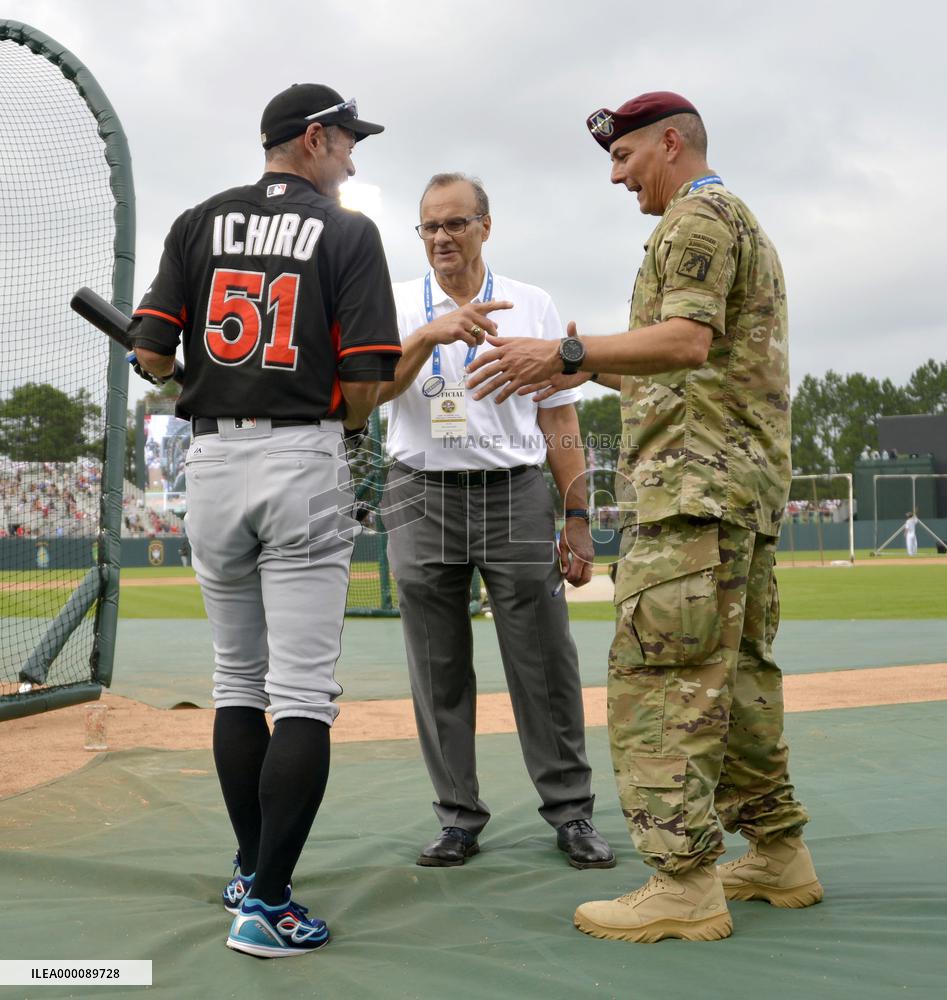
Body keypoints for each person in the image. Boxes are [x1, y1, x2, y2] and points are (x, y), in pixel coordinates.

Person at [467, 92, 822, 942]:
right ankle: (777, 853)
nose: (618, 177)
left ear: (670, 143)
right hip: (735, 497)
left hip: (694, 502)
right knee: (734, 684)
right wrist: (587, 373)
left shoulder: (695, 224)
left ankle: (681, 883)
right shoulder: (738, 223)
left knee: (658, 687)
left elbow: (687, 342)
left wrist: (569, 351)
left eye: (624, 158)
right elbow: (704, 373)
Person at [129, 83, 401, 958]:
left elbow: (148, 351)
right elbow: (363, 381)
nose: (352, 159)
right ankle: (270, 905)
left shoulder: (198, 219)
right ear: (313, 138)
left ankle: (252, 870)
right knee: (302, 695)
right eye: (348, 141)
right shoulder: (347, 229)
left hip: (207, 460)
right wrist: (348, 426)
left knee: (237, 682)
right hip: (301, 456)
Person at [378, 173, 614, 871]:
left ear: (486, 226)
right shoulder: (393, 304)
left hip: (514, 491)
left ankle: (570, 814)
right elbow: (369, 392)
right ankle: (457, 818)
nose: (441, 238)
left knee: (545, 661)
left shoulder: (530, 303)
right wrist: (429, 333)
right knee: (436, 666)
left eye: (455, 224)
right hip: (418, 491)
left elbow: (558, 414)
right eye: (429, 227)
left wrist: (576, 516)